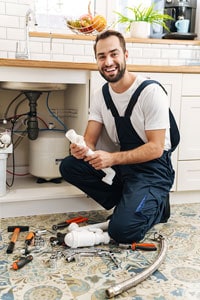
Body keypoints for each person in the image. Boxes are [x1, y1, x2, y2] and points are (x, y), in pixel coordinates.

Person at [60, 30, 179, 244]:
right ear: (96, 60)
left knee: (123, 232)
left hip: (153, 169)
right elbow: (90, 140)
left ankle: (157, 206)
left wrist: (112, 158)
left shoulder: (150, 93)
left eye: (114, 54)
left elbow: (156, 148)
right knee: (69, 166)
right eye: (101, 56)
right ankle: (130, 203)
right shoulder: (101, 96)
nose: (108, 61)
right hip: (124, 170)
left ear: (126, 55)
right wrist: (80, 148)